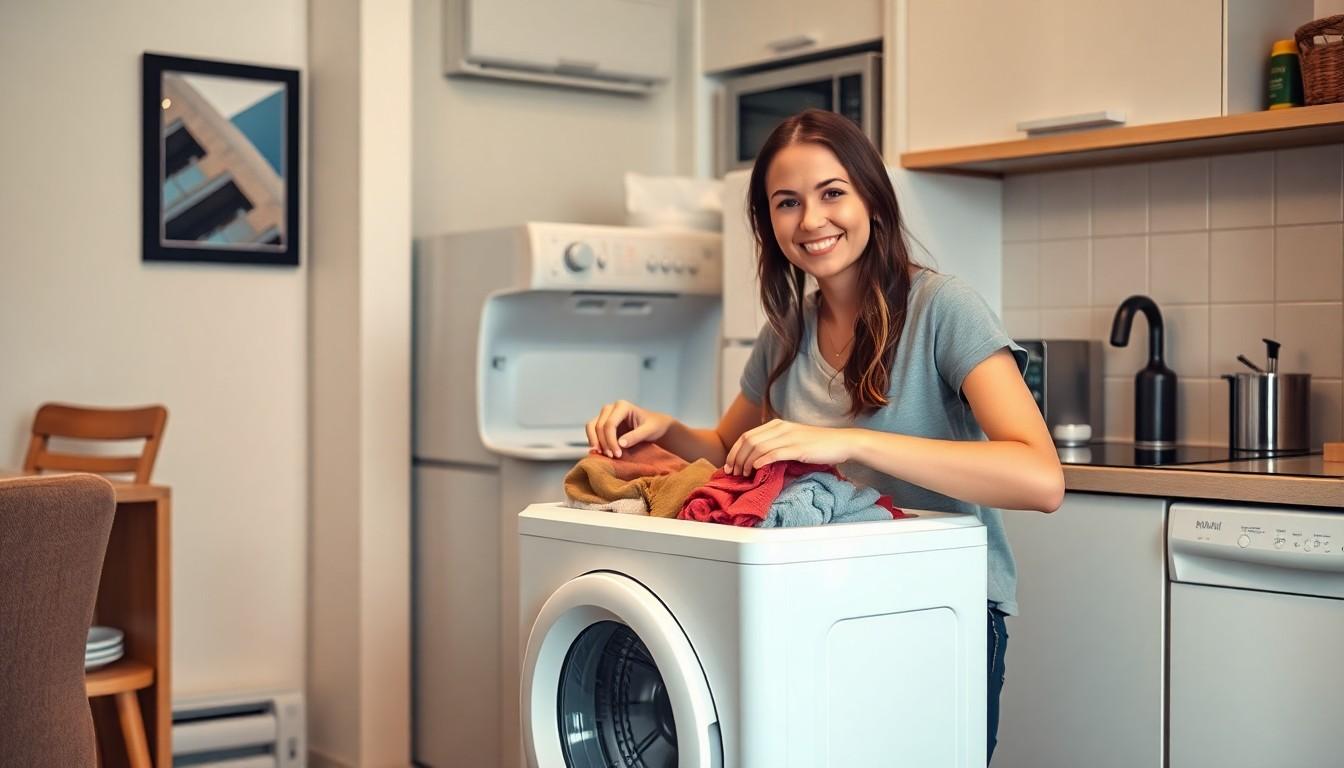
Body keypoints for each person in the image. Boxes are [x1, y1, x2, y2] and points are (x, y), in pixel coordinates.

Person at [585, 108, 1063, 763]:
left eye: (832, 193)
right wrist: (666, 429)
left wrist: (850, 441)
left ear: (871, 198)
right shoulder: (788, 329)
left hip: (936, 605)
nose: (811, 220)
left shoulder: (943, 308)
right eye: (787, 202)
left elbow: (1040, 479)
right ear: (768, 224)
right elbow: (729, 449)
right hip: (820, 602)